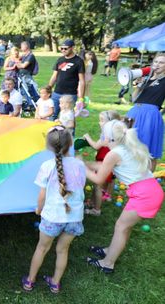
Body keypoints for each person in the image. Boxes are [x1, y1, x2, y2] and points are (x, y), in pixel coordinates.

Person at [85, 120, 163, 273]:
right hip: (150, 191)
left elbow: (98, 179)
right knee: (124, 227)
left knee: (121, 227)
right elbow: (103, 167)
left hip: (145, 196)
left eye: (101, 135)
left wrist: (81, 167)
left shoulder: (113, 154)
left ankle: (107, 263)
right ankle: (110, 251)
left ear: (107, 138)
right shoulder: (124, 147)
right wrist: (86, 163)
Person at [22, 125, 85, 293]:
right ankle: (55, 282)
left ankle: (30, 280)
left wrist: (39, 210)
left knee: (42, 248)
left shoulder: (47, 166)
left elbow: (42, 195)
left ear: (48, 146)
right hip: (74, 217)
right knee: (63, 250)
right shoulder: (79, 165)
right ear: (70, 143)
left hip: (52, 217)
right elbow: (80, 187)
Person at [125, 53, 165, 172]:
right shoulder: (146, 79)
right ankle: (131, 174)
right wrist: (138, 86)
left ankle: (148, 179)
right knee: (130, 146)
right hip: (135, 112)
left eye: (161, 63)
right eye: (156, 62)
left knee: (149, 149)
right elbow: (133, 99)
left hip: (150, 115)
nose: (157, 65)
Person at [83, 110, 121, 216]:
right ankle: (93, 202)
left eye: (102, 120)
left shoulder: (106, 136)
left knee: (98, 186)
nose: (99, 123)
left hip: (104, 163)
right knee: (98, 185)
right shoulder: (116, 134)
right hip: (108, 163)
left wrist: (87, 137)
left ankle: (96, 210)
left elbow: (95, 146)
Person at [48, 39, 85, 120]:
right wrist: (49, 87)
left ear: (72, 48)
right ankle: (50, 133)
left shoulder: (78, 61)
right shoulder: (60, 59)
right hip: (56, 93)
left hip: (70, 95)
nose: (63, 50)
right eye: (62, 48)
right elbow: (54, 75)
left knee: (68, 118)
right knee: (52, 116)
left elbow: (82, 81)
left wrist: (81, 98)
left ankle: (69, 133)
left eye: (66, 48)